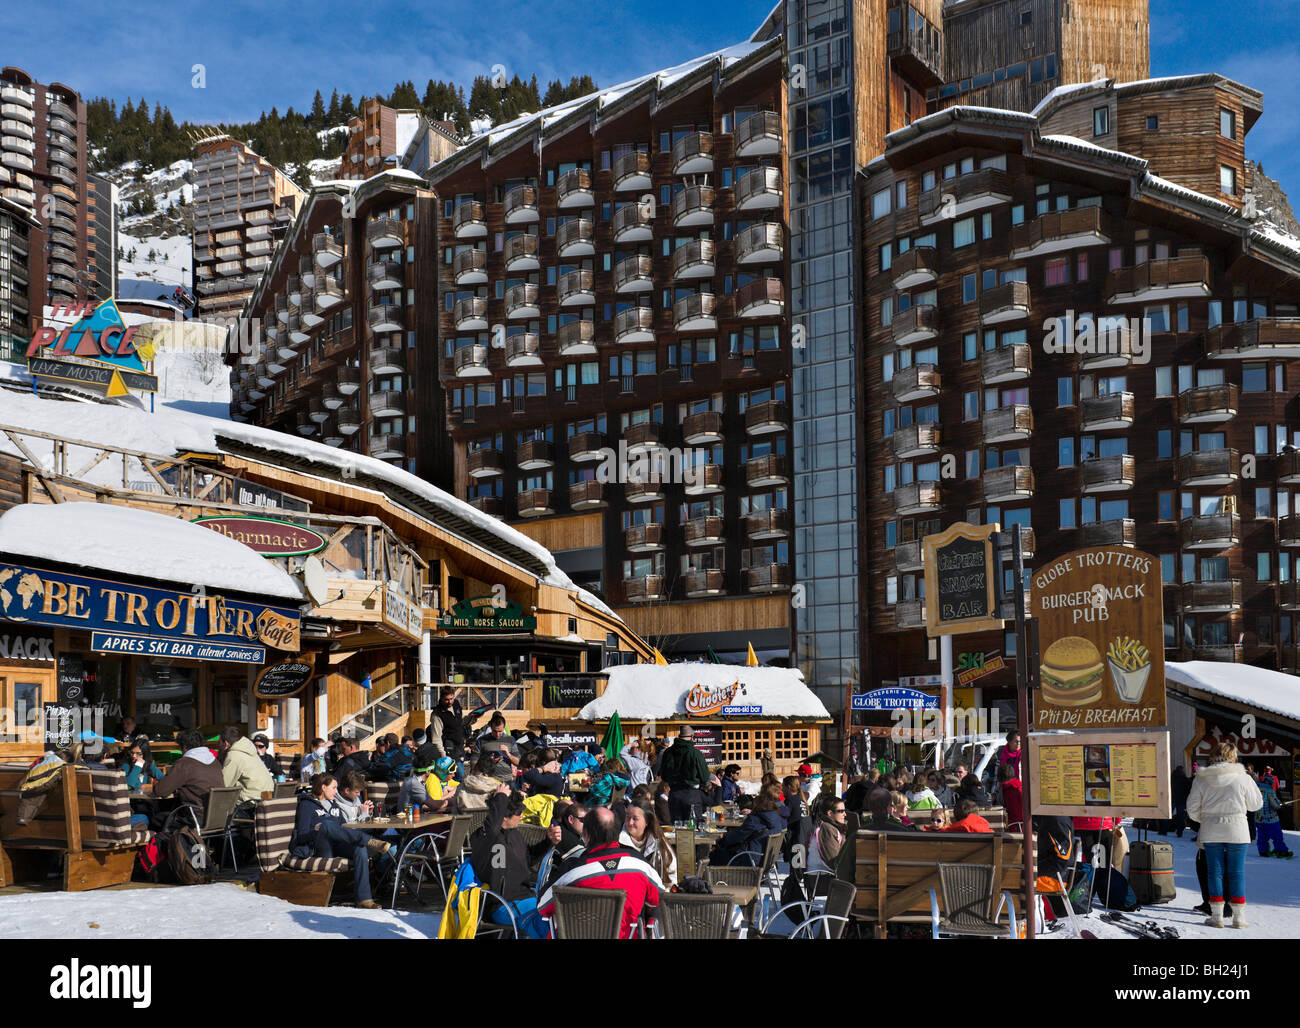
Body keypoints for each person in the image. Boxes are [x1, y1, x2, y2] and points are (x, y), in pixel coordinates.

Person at [540, 805, 663, 938]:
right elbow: (660, 901)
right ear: (618, 833)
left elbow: (542, 906)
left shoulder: (572, 871)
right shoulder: (640, 865)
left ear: (586, 835)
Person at [1187, 741, 1263, 928]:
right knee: (1237, 873)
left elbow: (1192, 809)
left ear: (1213, 756)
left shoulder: (1201, 778)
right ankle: (1238, 918)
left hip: (1211, 828)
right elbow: (1255, 805)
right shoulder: (1243, 777)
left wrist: (1205, 818)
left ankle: (1217, 916)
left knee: (1214, 873)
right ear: (1233, 757)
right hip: (1237, 828)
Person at [291, 773, 392, 909]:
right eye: (333, 788)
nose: (336, 792)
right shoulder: (307, 806)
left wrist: (365, 816)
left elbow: (345, 829)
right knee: (326, 825)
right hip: (320, 848)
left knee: (359, 849)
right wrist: (315, 831)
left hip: (337, 846)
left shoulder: (334, 806)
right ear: (323, 787)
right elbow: (302, 836)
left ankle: (364, 899)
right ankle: (369, 841)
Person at [469, 786, 552, 938]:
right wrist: (500, 797)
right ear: (504, 817)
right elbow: (492, 826)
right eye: (519, 813)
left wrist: (548, 841)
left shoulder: (514, 834)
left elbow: (529, 860)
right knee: (541, 922)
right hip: (501, 904)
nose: (521, 815)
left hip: (526, 897)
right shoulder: (485, 838)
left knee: (555, 915)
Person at [709, 782, 786, 865]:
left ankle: (704, 876)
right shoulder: (776, 817)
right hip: (766, 860)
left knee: (713, 856)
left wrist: (721, 841)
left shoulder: (756, 819)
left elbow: (737, 836)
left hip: (750, 859)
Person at [155, 728, 223, 810]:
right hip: (218, 816)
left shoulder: (184, 764)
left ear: (184, 747)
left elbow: (160, 791)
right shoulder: (216, 762)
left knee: (157, 816)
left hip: (195, 816)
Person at [620, 800, 677, 886]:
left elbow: (672, 875)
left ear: (647, 821)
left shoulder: (659, 843)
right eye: (628, 817)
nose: (630, 822)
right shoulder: (616, 842)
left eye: (635, 819)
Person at [660, 725, 710, 823]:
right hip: (691, 794)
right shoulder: (695, 753)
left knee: (678, 829)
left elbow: (663, 776)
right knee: (694, 828)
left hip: (674, 794)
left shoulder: (668, 752)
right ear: (692, 737)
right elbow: (704, 777)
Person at [218, 725, 275, 806]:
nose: (218, 745)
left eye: (219, 742)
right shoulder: (250, 751)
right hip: (267, 799)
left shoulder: (234, 755)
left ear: (226, 743)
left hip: (251, 802)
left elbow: (224, 786)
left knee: (220, 803)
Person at [398, 743, 457, 813]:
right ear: (427, 771)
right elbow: (434, 805)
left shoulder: (415, 780)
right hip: (409, 820)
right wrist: (451, 801)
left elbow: (429, 803)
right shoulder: (415, 784)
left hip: (414, 817)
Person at [474, 713, 521, 782]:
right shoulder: (482, 740)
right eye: (494, 731)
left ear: (504, 727)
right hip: (487, 780)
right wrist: (488, 761)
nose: (497, 734)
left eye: (500, 731)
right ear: (491, 727)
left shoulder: (510, 740)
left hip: (506, 780)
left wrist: (508, 754)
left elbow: (518, 762)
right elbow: (473, 762)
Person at [808, 795, 848, 876]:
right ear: (830, 813)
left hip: (827, 876)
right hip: (821, 879)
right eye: (841, 811)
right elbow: (833, 863)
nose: (845, 814)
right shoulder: (827, 829)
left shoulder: (832, 827)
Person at [1256, 775, 1293, 858]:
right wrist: (1280, 805)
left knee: (1262, 836)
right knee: (1277, 836)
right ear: (1270, 782)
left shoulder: (1256, 789)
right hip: (1271, 819)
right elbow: (1275, 804)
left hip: (1259, 819)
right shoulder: (1269, 790)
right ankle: (1281, 851)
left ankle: (1263, 851)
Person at [781, 773, 812, 863]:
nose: (781, 789)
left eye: (783, 786)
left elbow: (781, 818)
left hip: (795, 841)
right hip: (802, 840)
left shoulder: (791, 800)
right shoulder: (800, 799)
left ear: (789, 787)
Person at [432, 686, 466, 764]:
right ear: (441, 698)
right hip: (448, 749)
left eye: (451, 699)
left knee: (460, 774)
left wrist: (473, 718)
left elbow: (460, 723)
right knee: (458, 773)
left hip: (459, 747)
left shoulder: (456, 704)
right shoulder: (437, 714)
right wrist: (443, 755)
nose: (450, 702)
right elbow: (436, 738)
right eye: (446, 700)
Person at [996, 761, 1024, 833]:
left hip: (1014, 827)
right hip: (1023, 825)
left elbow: (1014, 813)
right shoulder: (1020, 786)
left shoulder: (1007, 790)